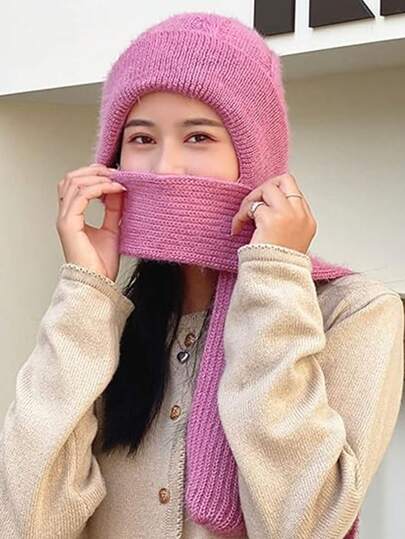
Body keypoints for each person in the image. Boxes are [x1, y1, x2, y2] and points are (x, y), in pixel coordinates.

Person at [1, 12, 403, 539]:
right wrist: (85, 291)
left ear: (255, 156)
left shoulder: (353, 311)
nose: (165, 167)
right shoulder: (105, 321)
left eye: (198, 137)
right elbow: (25, 523)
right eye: (141, 139)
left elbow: (304, 526)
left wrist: (274, 279)